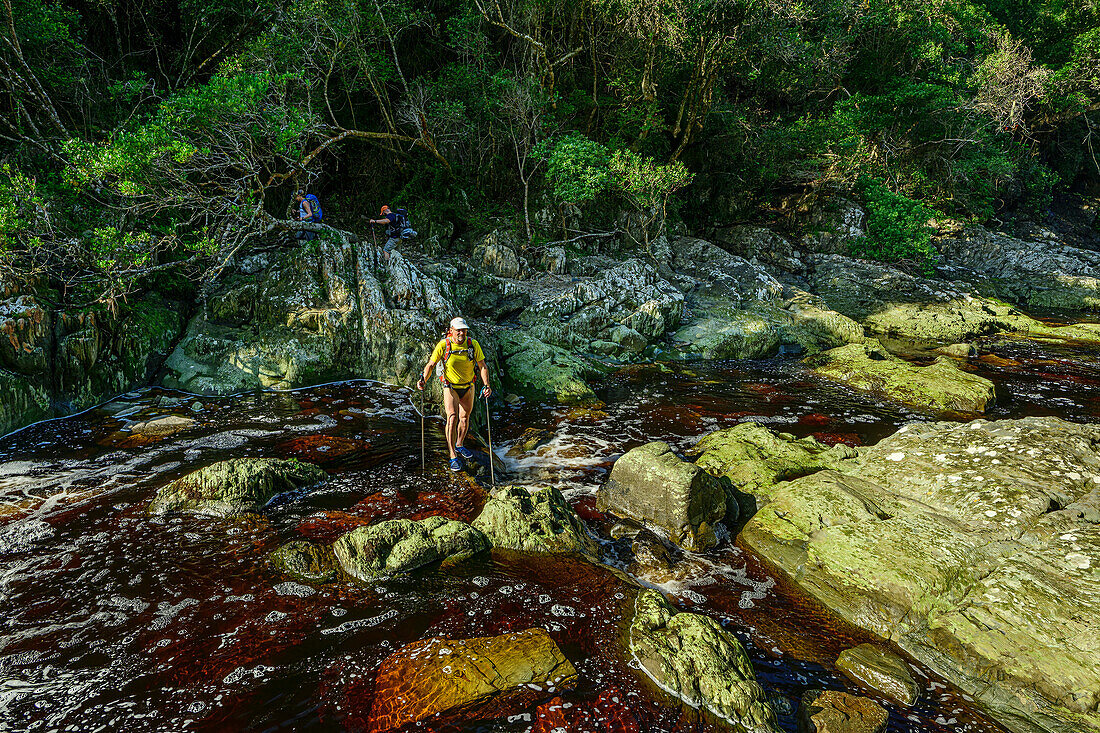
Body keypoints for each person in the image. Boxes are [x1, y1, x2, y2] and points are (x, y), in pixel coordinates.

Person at [416, 317, 492, 471]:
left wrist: (486, 385)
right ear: (451, 330)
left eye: (463, 330)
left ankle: (459, 444)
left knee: (464, 418)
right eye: (458, 330)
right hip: (450, 386)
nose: (461, 333)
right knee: (452, 417)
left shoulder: (473, 344)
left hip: (468, 386)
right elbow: (431, 365)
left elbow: (482, 366)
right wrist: (423, 379)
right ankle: (452, 456)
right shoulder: (444, 345)